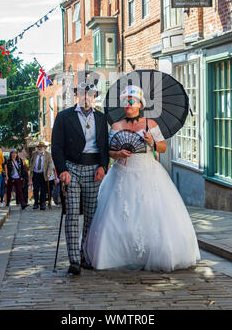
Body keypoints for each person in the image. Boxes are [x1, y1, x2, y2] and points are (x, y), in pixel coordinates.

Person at [84, 85, 201, 272]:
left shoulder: (150, 125)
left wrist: (151, 142)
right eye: (125, 101)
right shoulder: (116, 126)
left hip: (148, 172)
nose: (128, 104)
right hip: (122, 175)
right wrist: (119, 153)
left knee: (151, 214)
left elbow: (163, 148)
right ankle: (120, 254)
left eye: (131, 100)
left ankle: (150, 253)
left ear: (140, 104)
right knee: (118, 217)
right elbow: (111, 152)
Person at [51, 74, 109, 275]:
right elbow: (56, 147)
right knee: (73, 214)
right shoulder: (63, 116)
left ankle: (86, 255)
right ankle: (74, 259)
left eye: (91, 93)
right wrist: (62, 171)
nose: (87, 96)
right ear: (76, 94)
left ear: (94, 96)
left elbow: (104, 146)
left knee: (92, 216)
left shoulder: (102, 119)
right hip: (72, 168)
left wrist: (103, 166)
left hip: (94, 169)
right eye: (83, 92)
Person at [29, 142, 52, 210]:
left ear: (44, 148)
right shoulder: (34, 154)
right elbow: (31, 162)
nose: (40, 148)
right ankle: (36, 203)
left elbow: (50, 165)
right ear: (37, 147)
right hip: (35, 173)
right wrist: (31, 169)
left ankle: (42, 203)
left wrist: (49, 173)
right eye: (39, 147)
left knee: (43, 189)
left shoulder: (48, 155)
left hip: (43, 174)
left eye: (42, 147)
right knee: (35, 189)